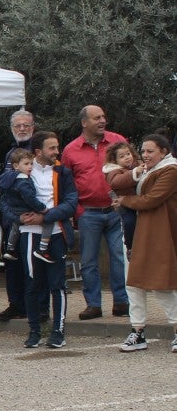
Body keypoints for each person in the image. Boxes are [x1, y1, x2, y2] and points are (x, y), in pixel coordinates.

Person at [7, 131, 78, 349]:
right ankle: (34, 331)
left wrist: (46, 216)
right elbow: (5, 203)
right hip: (30, 233)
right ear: (38, 151)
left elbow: (72, 202)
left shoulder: (63, 172)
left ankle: (58, 331)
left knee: (57, 284)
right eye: (52, 148)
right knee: (32, 283)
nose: (57, 151)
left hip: (56, 233)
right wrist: (18, 218)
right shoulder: (21, 170)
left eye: (57, 147)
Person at [61, 104, 129, 320]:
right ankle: (93, 305)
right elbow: (66, 184)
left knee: (119, 257)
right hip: (88, 212)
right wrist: (77, 210)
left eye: (103, 117)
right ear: (84, 122)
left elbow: (131, 169)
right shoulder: (71, 150)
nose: (102, 121)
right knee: (89, 261)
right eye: (97, 118)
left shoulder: (117, 141)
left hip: (117, 210)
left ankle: (122, 302)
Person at [113, 135, 177, 353]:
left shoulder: (171, 170)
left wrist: (124, 200)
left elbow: (152, 199)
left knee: (161, 284)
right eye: (143, 151)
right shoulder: (146, 170)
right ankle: (138, 331)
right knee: (133, 283)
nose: (145, 155)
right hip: (139, 232)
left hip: (160, 233)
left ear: (164, 151)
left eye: (150, 151)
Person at [0, 110, 37, 322]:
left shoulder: (37, 152)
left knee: (31, 264)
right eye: (17, 126)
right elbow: (4, 189)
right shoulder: (10, 153)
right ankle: (15, 304)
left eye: (26, 125)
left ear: (33, 127)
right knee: (12, 264)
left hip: (31, 217)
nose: (22, 129)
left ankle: (33, 307)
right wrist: (9, 214)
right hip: (11, 219)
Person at [0, 149, 56, 263]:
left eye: (31, 164)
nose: (30, 167)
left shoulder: (9, 178)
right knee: (49, 222)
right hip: (26, 209)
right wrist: (43, 208)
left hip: (15, 210)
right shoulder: (23, 181)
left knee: (15, 225)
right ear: (16, 166)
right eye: (26, 164)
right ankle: (42, 249)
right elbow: (30, 198)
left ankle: (10, 248)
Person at [104, 142, 141, 254]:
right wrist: (134, 173)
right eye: (122, 156)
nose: (127, 157)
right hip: (126, 206)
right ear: (115, 161)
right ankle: (130, 246)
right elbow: (116, 182)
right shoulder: (113, 171)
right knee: (129, 221)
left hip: (138, 203)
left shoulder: (137, 165)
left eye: (128, 154)